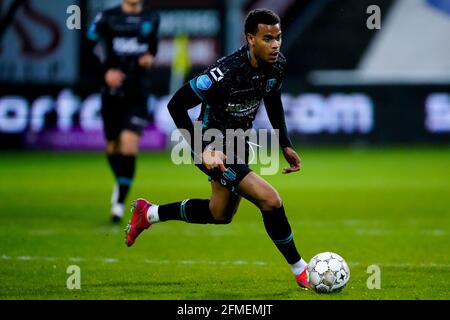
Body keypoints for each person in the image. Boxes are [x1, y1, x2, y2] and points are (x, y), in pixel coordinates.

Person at [125, 9, 309, 288]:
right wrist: (203, 151)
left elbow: (272, 97)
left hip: (239, 143)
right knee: (270, 200)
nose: (275, 45)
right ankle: (301, 269)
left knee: (219, 214)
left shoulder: (276, 65)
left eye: (278, 38)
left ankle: (149, 213)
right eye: (267, 38)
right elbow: (176, 105)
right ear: (250, 39)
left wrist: (284, 143)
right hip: (212, 145)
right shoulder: (225, 72)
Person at [86, 0, 160, 222]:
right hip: (111, 92)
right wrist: (105, 72)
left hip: (137, 91)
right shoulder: (106, 17)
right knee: (112, 147)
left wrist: (150, 57)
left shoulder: (152, 17)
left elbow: (152, 46)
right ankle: (121, 183)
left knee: (128, 146)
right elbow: (89, 46)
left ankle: (119, 203)